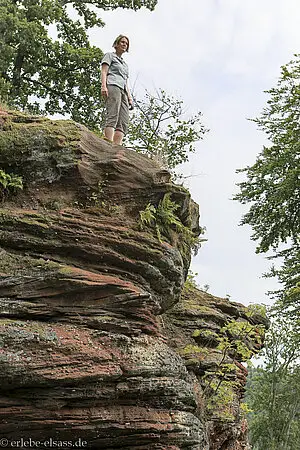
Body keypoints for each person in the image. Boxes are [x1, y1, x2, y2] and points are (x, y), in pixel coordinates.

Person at [101, 35, 133, 145]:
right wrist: (103, 86)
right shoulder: (109, 56)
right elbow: (104, 71)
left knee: (123, 120)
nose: (125, 44)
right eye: (123, 42)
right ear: (116, 44)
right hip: (113, 85)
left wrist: (129, 97)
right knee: (113, 114)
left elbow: (125, 81)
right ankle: (108, 143)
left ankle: (117, 146)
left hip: (123, 90)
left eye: (126, 43)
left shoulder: (125, 65)